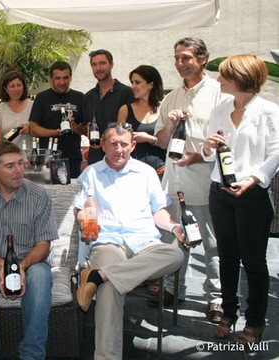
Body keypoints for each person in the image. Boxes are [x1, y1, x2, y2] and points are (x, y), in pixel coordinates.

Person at [75, 123, 184, 359]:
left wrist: (174, 225)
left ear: (133, 145)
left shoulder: (146, 173)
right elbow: (83, 209)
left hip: (144, 240)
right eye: (113, 143)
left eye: (124, 144)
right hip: (107, 241)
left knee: (175, 255)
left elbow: (159, 212)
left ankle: (98, 276)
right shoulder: (91, 173)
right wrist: (85, 222)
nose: (119, 149)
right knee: (110, 288)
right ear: (102, 144)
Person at [201, 54, 279, 344]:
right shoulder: (220, 109)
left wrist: (252, 179)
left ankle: (255, 321)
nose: (219, 80)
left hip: (253, 196)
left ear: (241, 79)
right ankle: (229, 314)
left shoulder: (270, 111)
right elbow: (210, 153)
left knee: (254, 262)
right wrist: (208, 147)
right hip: (220, 192)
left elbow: (276, 153)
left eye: (223, 75)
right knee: (228, 259)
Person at [153, 37, 230, 323]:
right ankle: (175, 288)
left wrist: (196, 157)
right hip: (173, 183)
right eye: (177, 58)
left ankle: (217, 299)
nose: (180, 64)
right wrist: (171, 124)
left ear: (203, 59)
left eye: (186, 57)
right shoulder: (171, 97)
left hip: (205, 182)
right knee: (174, 238)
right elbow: (162, 142)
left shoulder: (219, 94)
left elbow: (225, 141)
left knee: (211, 244)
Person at [0, 141, 59, 359]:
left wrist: (21, 267)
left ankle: (31, 355)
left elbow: (43, 245)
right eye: (9, 166)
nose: (18, 170)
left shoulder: (39, 196)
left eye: (20, 163)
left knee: (40, 276)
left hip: (31, 261)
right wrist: (1, 265)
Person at [29, 61, 85, 178]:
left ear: (70, 78)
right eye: (58, 78)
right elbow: (33, 128)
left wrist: (76, 127)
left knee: (71, 194)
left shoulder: (80, 97)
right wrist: (54, 133)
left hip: (73, 158)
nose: (62, 82)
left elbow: (86, 129)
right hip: (47, 159)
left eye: (65, 78)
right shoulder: (42, 97)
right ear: (51, 79)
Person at [83, 49, 135, 166]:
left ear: (111, 64)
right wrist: (84, 129)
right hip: (96, 156)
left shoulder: (126, 93)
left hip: (120, 156)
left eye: (102, 63)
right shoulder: (88, 97)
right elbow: (85, 125)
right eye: (94, 64)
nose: (98, 68)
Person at [117, 65, 166, 174]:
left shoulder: (164, 108)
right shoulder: (125, 110)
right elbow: (120, 141)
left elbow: (170, 142)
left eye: (137, 82)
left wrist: (149, 138)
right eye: (132, 82)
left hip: (161, 170)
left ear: (151, 85)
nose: (133, 86)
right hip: (133, 170)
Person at [0, 70, 33, 146]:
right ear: (6, 89)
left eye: (19, 85)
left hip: (29, 155)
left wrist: (30, 130)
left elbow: (40, 130)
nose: (16, 89)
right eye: (12, 86)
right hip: (7, 155)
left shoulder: (33, 106)